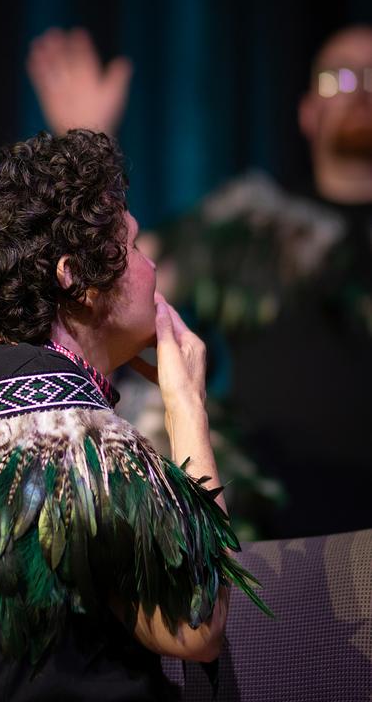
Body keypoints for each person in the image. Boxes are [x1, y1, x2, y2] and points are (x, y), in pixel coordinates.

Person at [0, 130, 267, 701]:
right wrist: (186, 404)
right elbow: (194, 621)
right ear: (73, 276)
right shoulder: (69, 433)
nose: (151, 266)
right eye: (134, 245)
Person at [26, 26, 372, 538]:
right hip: (283, 537)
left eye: (371, 76)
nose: (360, 88)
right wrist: (86, 148)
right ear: (307, 112)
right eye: (339, 77)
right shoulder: (253, 226)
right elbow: (125, 273)